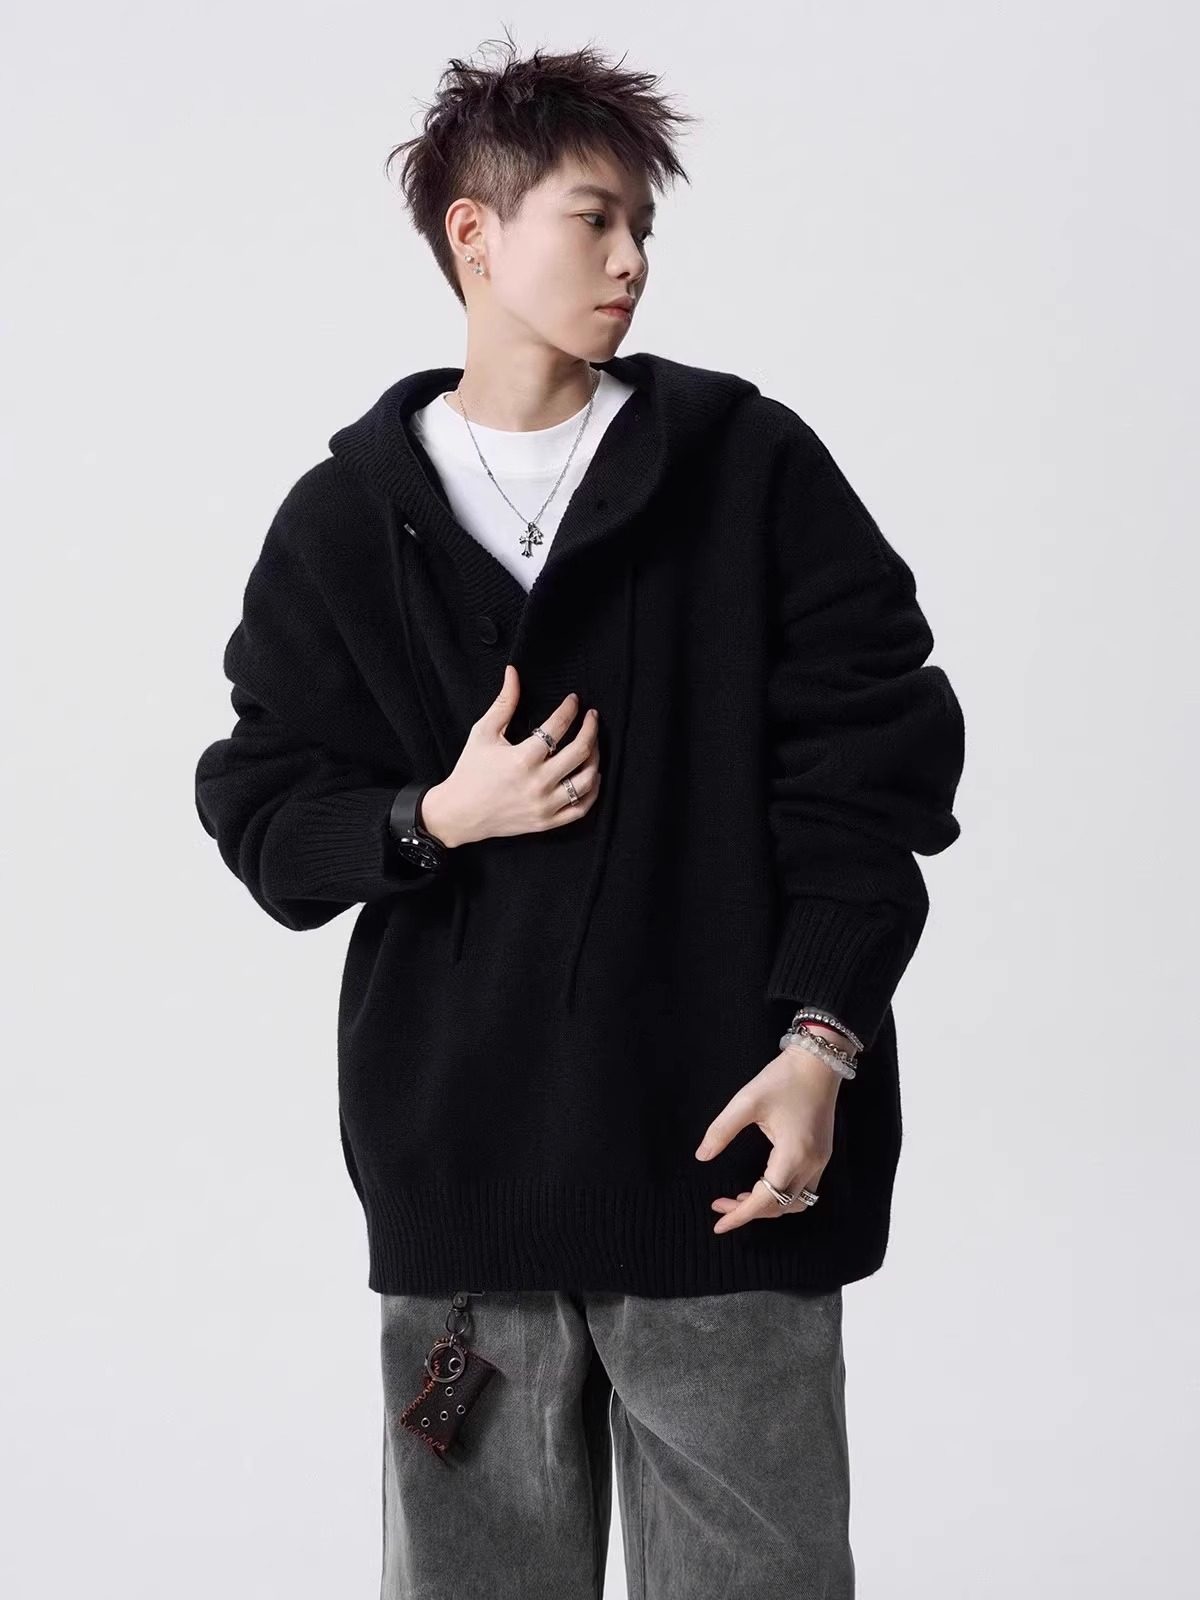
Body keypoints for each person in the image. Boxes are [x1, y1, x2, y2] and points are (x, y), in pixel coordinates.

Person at [194, 35, 966, 1600]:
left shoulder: (748, 468)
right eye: (594, 219)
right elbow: (265, 809)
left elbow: (875, 766)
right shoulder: (346, 523)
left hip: (726, 1168)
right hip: (466, 1193)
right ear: (474, 233)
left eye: (642, 228)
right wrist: (434, 815)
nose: (631, 261)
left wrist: (823, 1040)